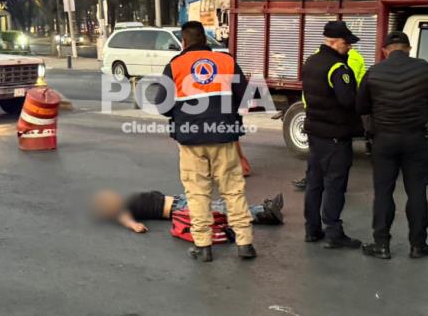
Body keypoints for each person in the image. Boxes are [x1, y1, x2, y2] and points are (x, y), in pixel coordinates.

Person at [154, 21, 255, 262]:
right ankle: (245, 243)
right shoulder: (226, 61)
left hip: (191, 139)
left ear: (184, 42)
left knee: (198, 192)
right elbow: (247, 97)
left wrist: (181, 115)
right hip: (224, 135)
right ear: (206, 40)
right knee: (233, 190)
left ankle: (203, 246)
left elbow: (162, 105)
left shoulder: (175, 65)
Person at [357, 32, 428, 259]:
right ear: (408, 48)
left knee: (383, 193)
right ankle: (418, 245)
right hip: (416, 139)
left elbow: (361, 106)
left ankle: (381, 245)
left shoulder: (373, 72)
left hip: (384, 140)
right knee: (417, 192)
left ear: (385, 51)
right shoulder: (425, 69)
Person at [302, 21, 362, 249]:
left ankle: (312, 229)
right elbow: (348, 100)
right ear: (335, 42)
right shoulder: (338, 68)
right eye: (347, 44)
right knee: (335, 184)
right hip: (336, 136)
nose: (350, 48)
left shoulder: (311, 62)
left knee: (314, 183)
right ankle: (334, 232)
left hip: (315, 132)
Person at [292, 47, 366, 191]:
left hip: (319, 114)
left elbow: (310, 85)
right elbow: (361, 85)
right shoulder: (357, 57)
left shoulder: (316, 55)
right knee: (338, 155)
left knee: (317, 154)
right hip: (340, 116)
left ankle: (314, 182)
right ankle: (335, 185)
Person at [91, 190, 284, 233]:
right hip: (180, 208)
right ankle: (263, 212)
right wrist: (134, 226)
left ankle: (262, 209)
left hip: (180, 200)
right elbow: (125, 219)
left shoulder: (125, 201)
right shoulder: (121, 210)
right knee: (222, 210)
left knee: (221, 205)